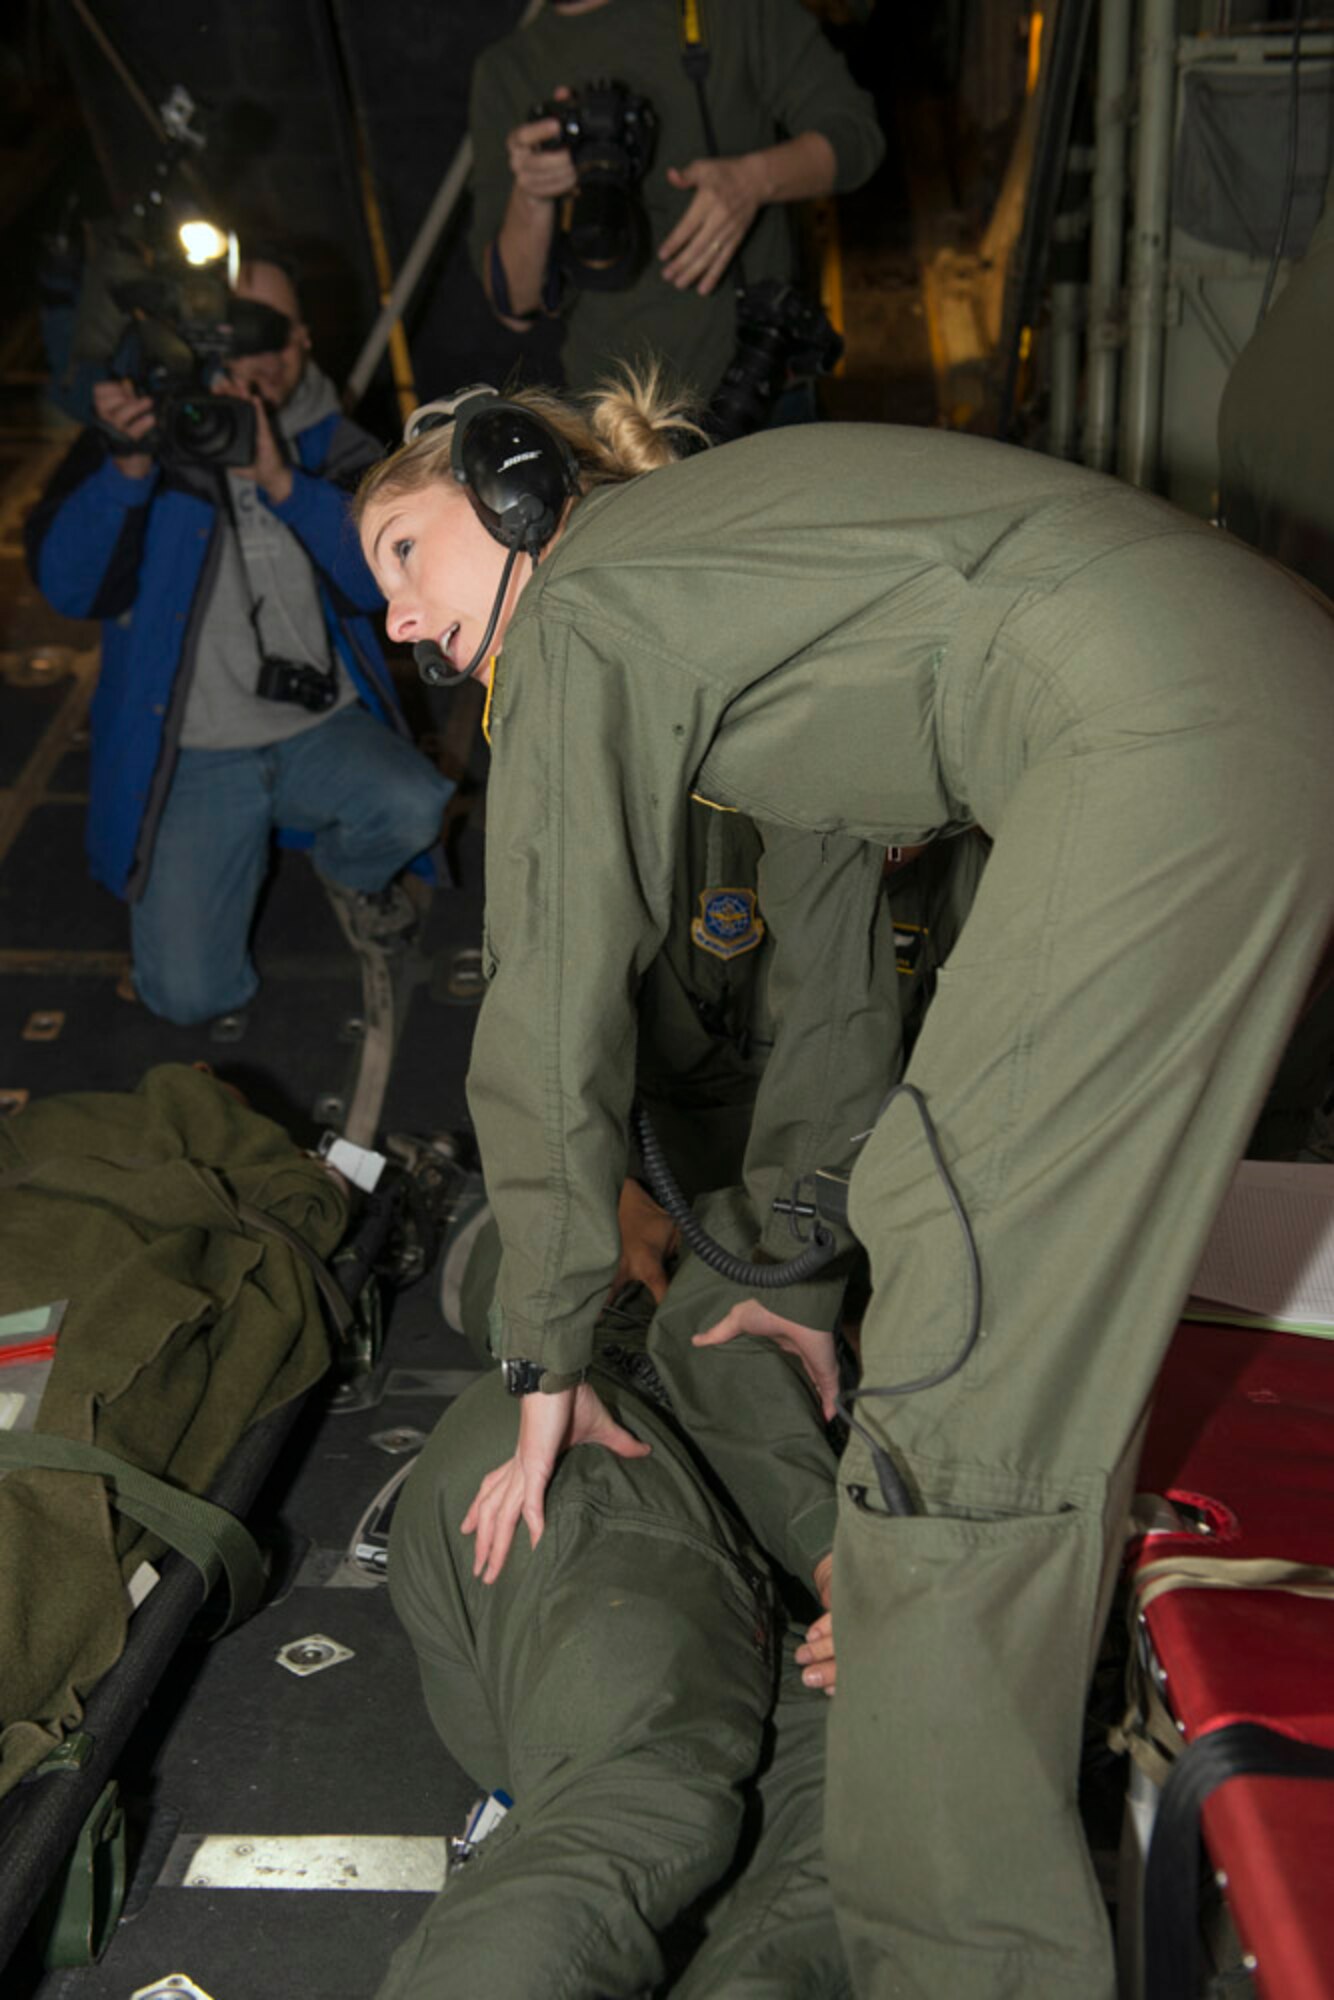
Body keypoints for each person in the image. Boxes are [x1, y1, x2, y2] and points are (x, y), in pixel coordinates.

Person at [355, 374, 1334, 1997]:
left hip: (1150, 735)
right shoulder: (719, 584)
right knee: (990, 1277)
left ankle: (960, 1966)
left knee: (958, 1381)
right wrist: (802, 1287)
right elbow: (843, 1011)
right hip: (1249, 694)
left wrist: (542, 1355)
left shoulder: (589, 596)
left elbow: (543, 1002)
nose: (395, 619)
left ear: (512, 483)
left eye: (402, 549)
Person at [26, 256, 453, 1026]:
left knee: (416, 804)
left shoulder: (333, 440)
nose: (261, 355)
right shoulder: (153, 431)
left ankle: (350, 873)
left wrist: (283, 480)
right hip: (194, 752)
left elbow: (382, 585)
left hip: (319, 727)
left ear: (303, 338)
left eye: (274, 332)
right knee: (191, 997)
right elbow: (69, 589)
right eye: (238, 333)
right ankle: (229, 847)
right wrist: (126, 466)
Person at [377, 1303, 846, 1998]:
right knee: (646, 1789)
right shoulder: (726, 1286)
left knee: (876, 1812)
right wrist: (846, 1568)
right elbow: (725, 1350)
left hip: (584, 1531)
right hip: (590, 1462)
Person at [468, 0, 884, 408]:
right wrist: (533, 193)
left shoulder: (730, 12)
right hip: (613, 419)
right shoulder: (507, 69)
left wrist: (754, 180)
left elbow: (856, 134)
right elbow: (514, 302)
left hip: (759, 395)